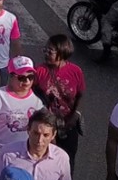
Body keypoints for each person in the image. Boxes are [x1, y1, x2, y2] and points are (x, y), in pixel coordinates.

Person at [0, 56, 44, 176]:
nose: (27, 82)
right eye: (22, 78)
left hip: (25, 156)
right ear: (11, 76)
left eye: (30, 77)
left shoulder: (37, 102)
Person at [34, 34, 86, 171]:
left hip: (68, 124)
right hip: (47, 124)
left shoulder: (76, 71)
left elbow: (79, 95)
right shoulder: (39, 71)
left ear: (62, 52)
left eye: (50, 51)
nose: (46, 53)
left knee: (67, 160)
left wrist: (74, 115)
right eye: (45, 50)